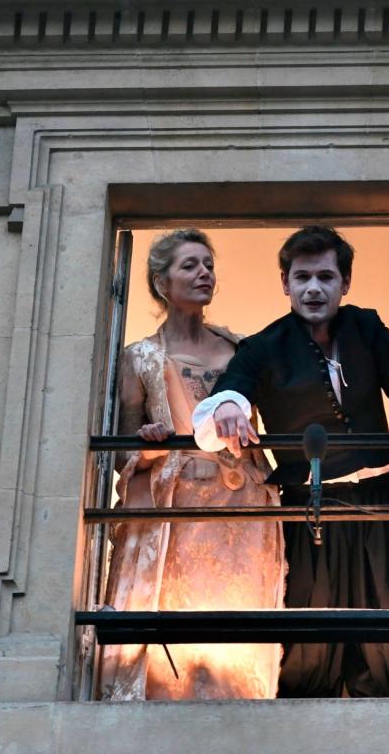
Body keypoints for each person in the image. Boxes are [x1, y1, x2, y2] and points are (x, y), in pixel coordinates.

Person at [192, 225, 389, 698]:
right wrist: (230, 406)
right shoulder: (262, 346)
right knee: (307, 654)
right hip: (306, 512)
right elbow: (228, 395)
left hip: (382, 507)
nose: (313, 288)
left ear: (345, 283)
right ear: (285, 283)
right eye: (301, 277)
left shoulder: (367, 328)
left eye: (325, 276)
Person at [99, 228, 284, 702]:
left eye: (208, 264)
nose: (204, 273)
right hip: (177, 508)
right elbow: (119, 450)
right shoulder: (139, 357)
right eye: (190, 265)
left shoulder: (243, 347)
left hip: (241, 503)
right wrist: (149, 446)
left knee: (234, 642)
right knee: (173, 646)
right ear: (162, 282)